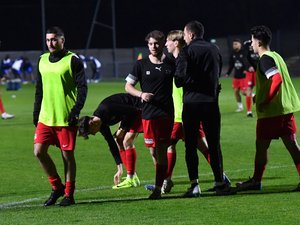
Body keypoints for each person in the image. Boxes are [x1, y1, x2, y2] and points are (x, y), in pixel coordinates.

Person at [236, 25, 300, 192]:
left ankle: (256, 181)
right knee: (293, 146)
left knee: (261, 147)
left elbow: (276, 79)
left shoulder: (265, 58)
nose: (251, 43)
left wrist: (265, 100)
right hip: (285, 110)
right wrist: (260, 95)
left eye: (252, 40)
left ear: (259, 42)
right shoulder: (275, 55)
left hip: (272, 113)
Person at [175, 20, 235, 197]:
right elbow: (217, 75)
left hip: (192, 104)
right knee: (214, 144)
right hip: (211, 104)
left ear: (191, 35)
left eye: (185, 34)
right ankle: (219, 183)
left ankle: (194, 186)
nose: (184, 37)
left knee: (191, 146)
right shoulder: (214, 49)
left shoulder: (186, 51)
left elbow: (179, 80)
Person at [33, 26, 87, 206]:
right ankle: (57, 187)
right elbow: (39, 90)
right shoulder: (41, 60)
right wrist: (36, 111)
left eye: (54, 39)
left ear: (63, 40)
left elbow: (82, 88)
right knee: (39, 152)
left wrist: (75, 111)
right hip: (46, 116)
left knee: (67, 156)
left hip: (65, 117)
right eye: (48, 40)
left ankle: (69, 195)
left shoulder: (73, 60)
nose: (51, 43)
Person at [125, 30, 175, 199]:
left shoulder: (171, 63)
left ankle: (158, 188)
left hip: (165, 114)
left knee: (161, 149)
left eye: (157, 43)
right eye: (150, 44)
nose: (153, 47)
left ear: (162, 44)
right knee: (153, 151)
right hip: (147, 115)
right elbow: (128, 86)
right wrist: (141, 94)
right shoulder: (141, 64)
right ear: (147, 45)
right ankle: (165, 179)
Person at [78, 93, 142, 188]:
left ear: (91, 123)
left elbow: (133, 111)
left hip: (139, 107)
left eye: (90, 132)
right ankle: (133, 176)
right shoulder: (101, 125)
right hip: (132, 112)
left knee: (127, 141)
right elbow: (111, 144)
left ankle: (131, 178)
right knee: (118, 140)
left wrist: (123, 128)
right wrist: (119, 169)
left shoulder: (107, 109)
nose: (94, 134)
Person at [225, 39, 249, 114]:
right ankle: (240, 107)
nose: (234, 45)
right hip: (236, 76)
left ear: (240, 44)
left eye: (236, 44)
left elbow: (247, 62)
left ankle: (254, 96)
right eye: (233, 44)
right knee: (236, 92)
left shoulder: (244, 52)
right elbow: (231, 65)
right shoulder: (233, 54)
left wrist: (246, 69)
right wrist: (228, 73)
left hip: (244, 76)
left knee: (244, 92)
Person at [243, 40, 260, 117]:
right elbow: (245, 58)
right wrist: (248, 66)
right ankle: (249, 111)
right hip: (250, 73)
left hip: (259, 72)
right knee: (248, 90)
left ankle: (262, 108)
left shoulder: (261, 44)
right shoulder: (247, 44)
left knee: (261, 90)